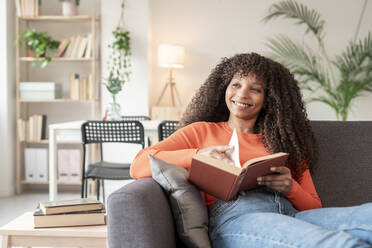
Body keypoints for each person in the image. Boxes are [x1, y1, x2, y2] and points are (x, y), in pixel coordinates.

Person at [130, 53, 372, 247]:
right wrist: (196, 155)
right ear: (224, 88)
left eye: (255, 89)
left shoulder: (285, 142)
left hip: (292, 216)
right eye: (236, 84)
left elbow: (315, 207)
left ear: (270, 98)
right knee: (342, 243)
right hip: (237, 218)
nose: (241, 94)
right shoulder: (201, 132)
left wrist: (291, 188)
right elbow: (139, 163)